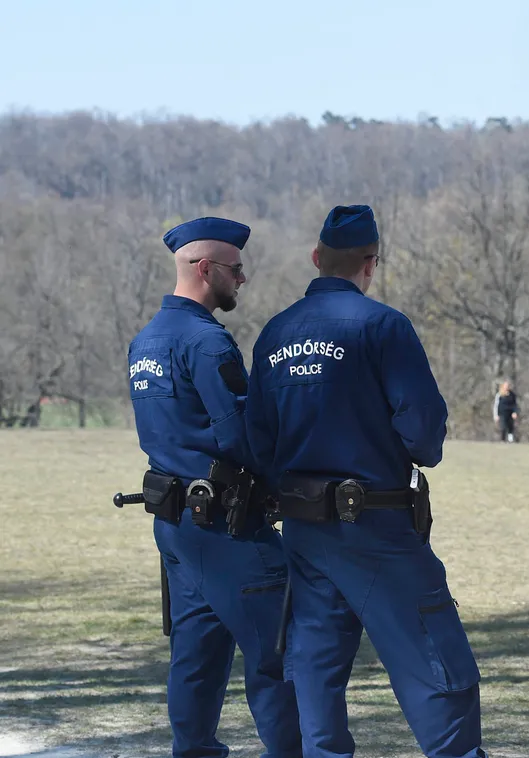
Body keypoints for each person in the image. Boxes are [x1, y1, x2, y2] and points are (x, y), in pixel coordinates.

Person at [245, 205, 486, 758]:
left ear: (316, 258)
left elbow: (259, 438)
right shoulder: (382, 327)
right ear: (370, 263)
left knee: (314, 672)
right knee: (434, 660)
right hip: (375, 525)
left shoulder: (275, 333)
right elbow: (423, 432)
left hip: (304, 532)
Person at [127, 217, 301, 758]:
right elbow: (240, 433)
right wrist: (282, 486)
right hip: (229, 529)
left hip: (177, 526)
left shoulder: (146, 340)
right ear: (206, 269)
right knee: (280, 655)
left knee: (195, 660)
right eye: (235, 268)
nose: (242, 278)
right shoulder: (206, 343)